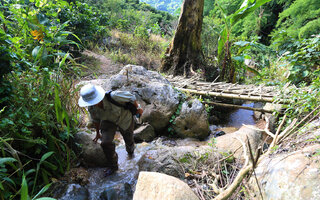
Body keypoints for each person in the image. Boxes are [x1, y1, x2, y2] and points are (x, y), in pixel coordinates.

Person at [78, 84, 143, 176]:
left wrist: (138, 108)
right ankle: (113, 166)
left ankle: (131, 152)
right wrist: (97, 133)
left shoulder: (114, 96)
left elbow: (131, 97)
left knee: (129, 140)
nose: (92, 103)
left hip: (124, 118)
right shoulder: (91, 107)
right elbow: (96, 120)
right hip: (108, 121)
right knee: (105, 143)